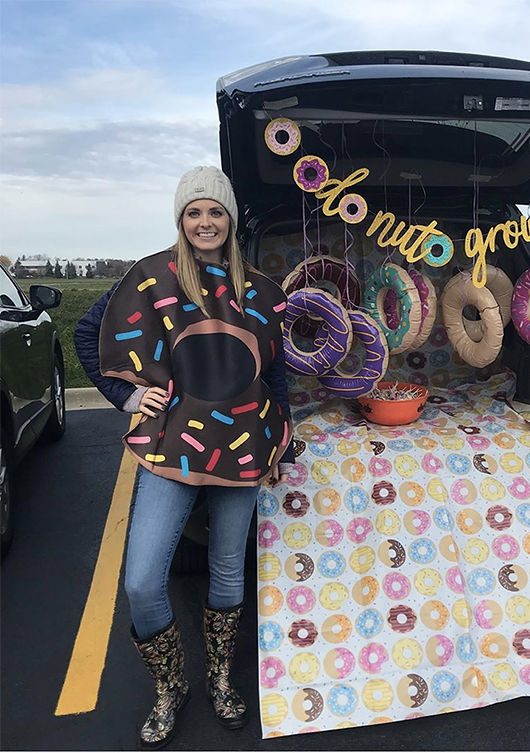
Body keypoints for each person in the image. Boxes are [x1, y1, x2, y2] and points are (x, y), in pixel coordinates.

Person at [74, 166, 295, 749]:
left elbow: (274, 370)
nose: (204, 222)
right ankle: (171, 686)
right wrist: (125, 394)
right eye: (193, 212)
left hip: (244, 446)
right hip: (173, 444)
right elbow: (90, 331)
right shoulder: (151, 279)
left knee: (227, 569)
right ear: (180, 220)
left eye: (214, 211)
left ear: (230, 219)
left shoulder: (258, 291)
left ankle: (220, 678)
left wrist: (279, 434)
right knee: (143, 581)